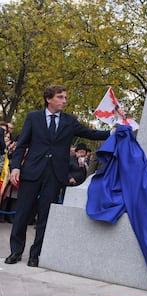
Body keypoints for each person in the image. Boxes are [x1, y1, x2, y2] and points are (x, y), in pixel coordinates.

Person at [4, 85, 111, 267]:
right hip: (32, 172)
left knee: (45, 216)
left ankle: (35, 255)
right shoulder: (33, 118)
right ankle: (15, 251)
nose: (64, 100)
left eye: (65, 97)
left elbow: (91, 133)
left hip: (55, 175)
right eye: (60, 97)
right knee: (22, 213)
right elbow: (21, 145)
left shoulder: (69, 121)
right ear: (49, 99)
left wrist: (114, 132)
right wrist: (16, 168)